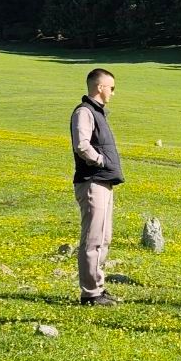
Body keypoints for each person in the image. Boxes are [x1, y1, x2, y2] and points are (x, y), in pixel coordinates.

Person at [71, 68, 124, 306]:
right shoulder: (84, 112)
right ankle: (90, 293)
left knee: (103, 236)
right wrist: (101, 160)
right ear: (100, 87)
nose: (113, 92)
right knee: (93, 239)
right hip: (93, 181)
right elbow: (82, 145)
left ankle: (97, 288)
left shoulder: (97, 112)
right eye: (111, 88)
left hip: (102, 181)